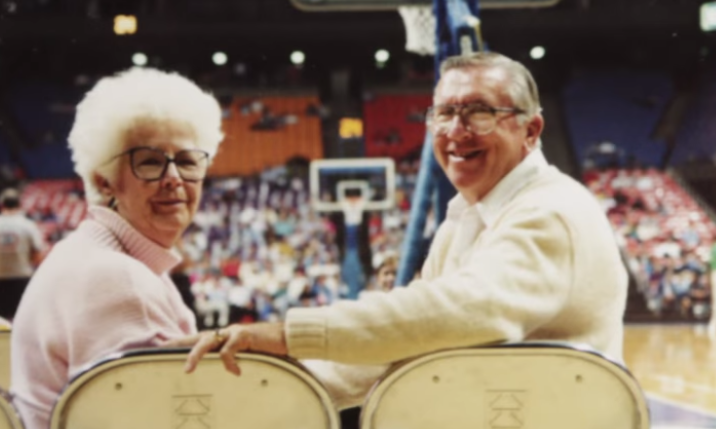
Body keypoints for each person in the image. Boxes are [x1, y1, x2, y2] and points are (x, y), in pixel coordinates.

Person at [164, 52, 628, 410]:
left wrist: (291, 335)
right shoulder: (469, 217)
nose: (455, 130)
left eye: (479, 113)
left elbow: (457, 313)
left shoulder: (549, 210)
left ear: (532, 130)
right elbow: (398, 348)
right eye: (443, 113)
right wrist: (269, 385)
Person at [10, 67, 223, 429]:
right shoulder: (119, 277)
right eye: (151, 162)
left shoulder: (95, 252)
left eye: (188, 162)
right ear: (104, 182)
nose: (174, 178)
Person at [0, 187, 45, 320]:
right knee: (23, 322)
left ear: (0, 205)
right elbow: (37, 257)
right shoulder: (28, 225)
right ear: (19, 205)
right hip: (21, 281)